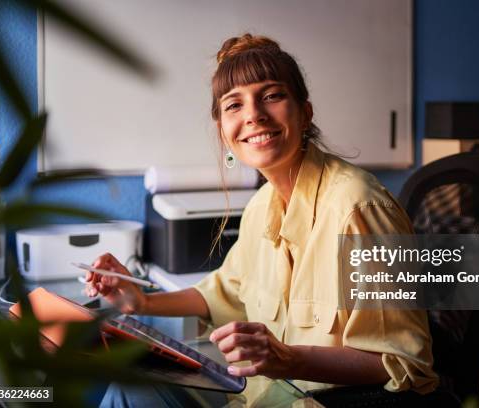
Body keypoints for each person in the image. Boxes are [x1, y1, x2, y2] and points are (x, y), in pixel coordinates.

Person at [88, 34, 438, 397]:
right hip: (258, 396)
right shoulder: (260, 206)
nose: (253, 115)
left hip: (323, 403)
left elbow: (403, 364)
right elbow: (225, 293)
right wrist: (140, 301)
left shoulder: (358, 208)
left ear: (306, 112)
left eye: (272, 96)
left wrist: (289, 359)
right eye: (233, 105)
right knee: (130, 390)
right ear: (224, 132)